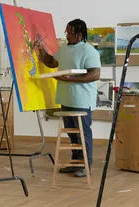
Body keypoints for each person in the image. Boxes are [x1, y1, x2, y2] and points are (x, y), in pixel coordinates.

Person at [36, 19, 101, 178]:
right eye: (66, 31)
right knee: (72, 134)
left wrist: (71, 80)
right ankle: (75, 164)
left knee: (82, 134)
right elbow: (52, 62)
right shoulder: (64, 49)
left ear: (79, 34)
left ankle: (86, 166)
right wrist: (41, 49)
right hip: (66, 99)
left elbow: (94, 74)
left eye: (69, 32)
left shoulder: (89, 51)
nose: (66, 35)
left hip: (81, 100)